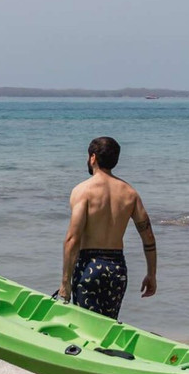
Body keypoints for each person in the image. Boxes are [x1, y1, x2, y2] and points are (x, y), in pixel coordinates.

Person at [58, 136, 157, 320]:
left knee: (85, 328)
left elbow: (73, 239)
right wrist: (151, 274)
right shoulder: (130, 193)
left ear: (93, 158)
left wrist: (65, 284)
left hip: (89, 266)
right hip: (117, 268)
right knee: (108, 327)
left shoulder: (83, 191)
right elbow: (148, 236)